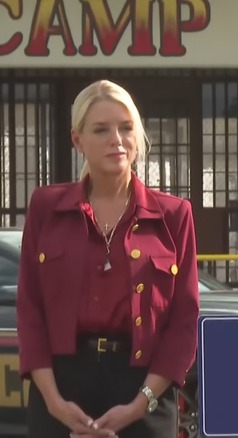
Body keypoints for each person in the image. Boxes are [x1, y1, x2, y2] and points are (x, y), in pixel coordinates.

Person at [16, 80, 200, 437]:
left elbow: (184, 320)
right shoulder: (46, 208)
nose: (116, 139)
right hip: (61, 388)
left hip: (144, 390)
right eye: (101, 130)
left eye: (126, 127)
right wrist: (53, 401)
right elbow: (30, 309)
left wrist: (141, 402)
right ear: (77, 140)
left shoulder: (174, 215)